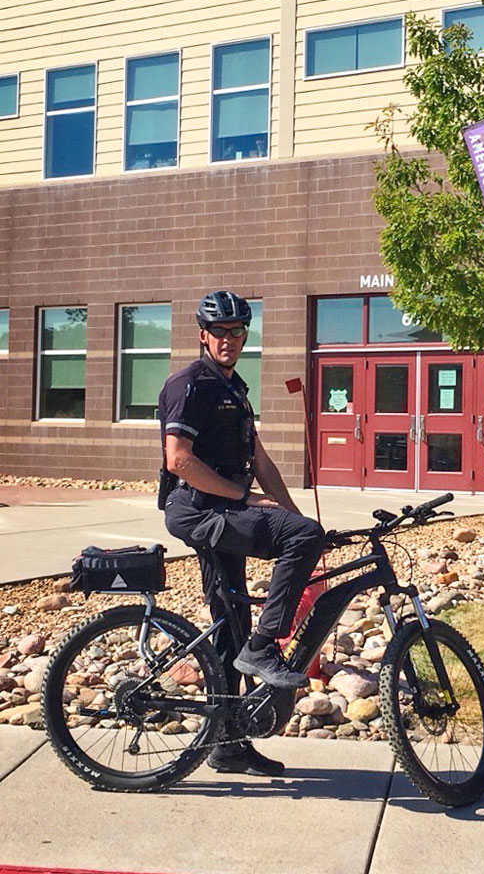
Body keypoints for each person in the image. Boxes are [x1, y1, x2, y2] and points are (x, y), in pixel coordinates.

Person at [158, 290, 327, 776]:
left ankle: (228, 746)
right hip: (199, 510)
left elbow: (259, 458)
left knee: (230, 625)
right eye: (221, 331)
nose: (229, 339)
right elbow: (179, 460)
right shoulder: (190, 385)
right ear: (203, 336)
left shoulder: (233, 388)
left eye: (238, 331)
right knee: (294, 550)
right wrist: (243, 497)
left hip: (220, 510)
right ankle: (265, 645)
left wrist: (298, 518)